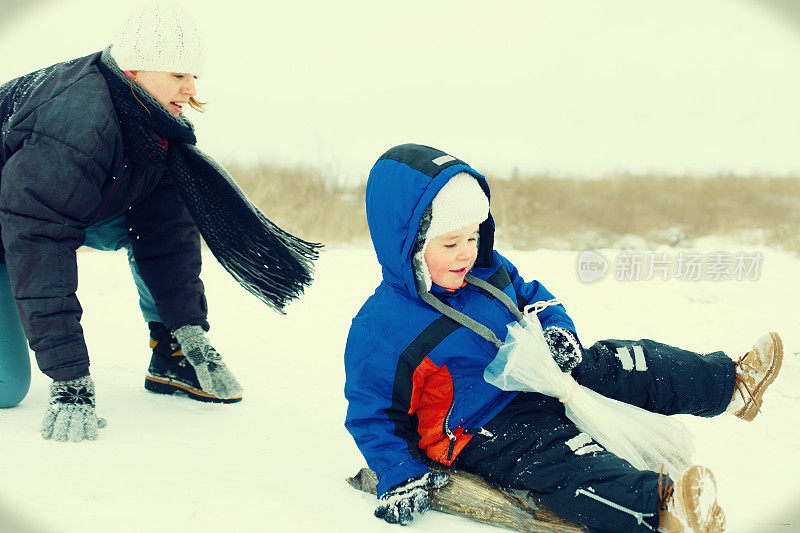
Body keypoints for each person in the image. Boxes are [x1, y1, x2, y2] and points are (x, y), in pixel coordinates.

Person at [343, 143, 782, 532]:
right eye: (450, 242)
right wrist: (398, 472)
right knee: (562, 460)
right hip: (483, 427)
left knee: (618, 362)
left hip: (537, 369)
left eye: (474, 235)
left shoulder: (488, 271)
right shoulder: (382, 329)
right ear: (408, 245)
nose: (467, 252)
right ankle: (663, 508)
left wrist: (558, 332)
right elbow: (372, 413)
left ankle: (731, 385)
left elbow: (538, 300)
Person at [0, 2, 318, 441]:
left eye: (194, 76)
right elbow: (37, 239)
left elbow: (165, 234)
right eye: (176, 74)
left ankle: (169, 354)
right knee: (6, 388)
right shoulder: (75, 124)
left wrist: (188, 331)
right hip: (12, 229)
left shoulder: (157, 125)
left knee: (147, 223)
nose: (189, 89)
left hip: (63, 209)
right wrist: (70, 380)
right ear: (133, 70)